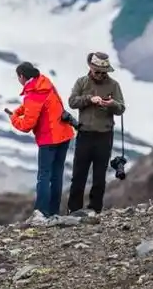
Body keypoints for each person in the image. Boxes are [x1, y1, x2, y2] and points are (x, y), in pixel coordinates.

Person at [8, 62, 74, 217]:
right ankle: (54, 212)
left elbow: (26, 125)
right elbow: (32, 107)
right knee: (57, 175)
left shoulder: (33, 94)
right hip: (64, 135)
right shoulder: (45, 83)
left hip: (48, 139)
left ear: (22, 77)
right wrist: (17, 111)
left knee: (44, 175)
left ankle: (41, 213)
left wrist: (13, 119)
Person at [67, 52, 125, 214]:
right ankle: (74, 209)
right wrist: (89, 99)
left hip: (105, 135)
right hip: (85, 134)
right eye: (97, 71)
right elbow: (72, 102)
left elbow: (121, 108)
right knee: (79, 175)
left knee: (100, 176)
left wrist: (112, 104)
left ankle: (95, 209)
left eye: (103, 72)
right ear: (91, 69)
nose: (100, 75)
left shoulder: (114, 85)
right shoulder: (81, 82)